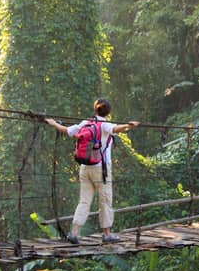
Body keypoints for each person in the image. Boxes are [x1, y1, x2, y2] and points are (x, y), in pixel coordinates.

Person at [42, 99, 139, 244]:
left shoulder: (86, 123)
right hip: (101, 169)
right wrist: (129, 125)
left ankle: (74, 233)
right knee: (105, 200)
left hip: (85, 167)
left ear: (95, 110)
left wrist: (53, 123)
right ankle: (106, 234)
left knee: (84, 200)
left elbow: (67, 131)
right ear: (108, 112)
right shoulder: (105, 125)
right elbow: (116, 129)